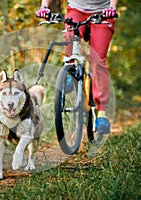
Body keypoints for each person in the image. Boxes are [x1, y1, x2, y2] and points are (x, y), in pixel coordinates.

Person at [36, 0, 118, 138]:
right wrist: (44, 7)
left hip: (103, 13)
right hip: (76, 10)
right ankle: (70, 72)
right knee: (69, 38)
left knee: (98, 61)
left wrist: (112, 7)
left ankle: (102, 113)